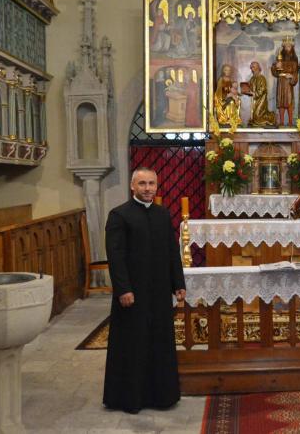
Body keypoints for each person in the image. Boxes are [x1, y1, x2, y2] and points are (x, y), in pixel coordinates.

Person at [103, 167, 186, 414]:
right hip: (133, 292)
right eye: (142, 184)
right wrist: (123, 289)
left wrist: (178, 283)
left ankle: (162, 396)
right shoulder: (119, 215)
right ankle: (130, 398)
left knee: (159, 342)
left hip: (159, 291)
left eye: (151, 183)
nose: (148, 188)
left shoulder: (162, 214)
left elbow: (172, 252)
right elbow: (115, 256)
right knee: (134, 343)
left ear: (157, 186)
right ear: (132, 186)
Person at [271, 36, 298, 126]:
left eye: (289, 46)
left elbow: (295, 73)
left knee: (289, 102)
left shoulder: (294, 60)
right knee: (281, 102)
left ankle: (290, 122)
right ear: (283, 47)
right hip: (281, 83)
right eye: (285, 46)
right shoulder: (279, 59)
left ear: (292, 48)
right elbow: (275, 72)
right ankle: (281, 122)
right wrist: (276, 67)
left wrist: (292, 76)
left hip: (288, 84)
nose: (287, 48)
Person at [245, 61, 276, 127]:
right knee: (254, 115)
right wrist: (246, 89)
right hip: (254, 100)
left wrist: (255, 93)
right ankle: (255, 122)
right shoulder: (252, 78)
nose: (252, 69)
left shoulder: (262, 78)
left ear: (257, 68)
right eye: (251, 67)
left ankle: (271, 117)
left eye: (253, 67)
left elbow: (262, 89)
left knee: (258, 115)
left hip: (261, 99)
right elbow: (249, 87)